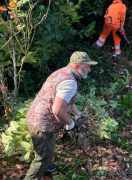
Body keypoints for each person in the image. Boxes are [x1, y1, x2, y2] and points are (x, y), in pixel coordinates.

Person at [24, 51, 98, 180]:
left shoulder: (63, 72)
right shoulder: (70, 82)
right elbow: (58, 110)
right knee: (44, 155)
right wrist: (71, 123)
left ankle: (44, 165)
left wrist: (78, 114)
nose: (89, 70)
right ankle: (35, 174)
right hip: (42, 125)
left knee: (44, 149)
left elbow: (67, 101)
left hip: (35, 117)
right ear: (77, 66)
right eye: (87, 66)